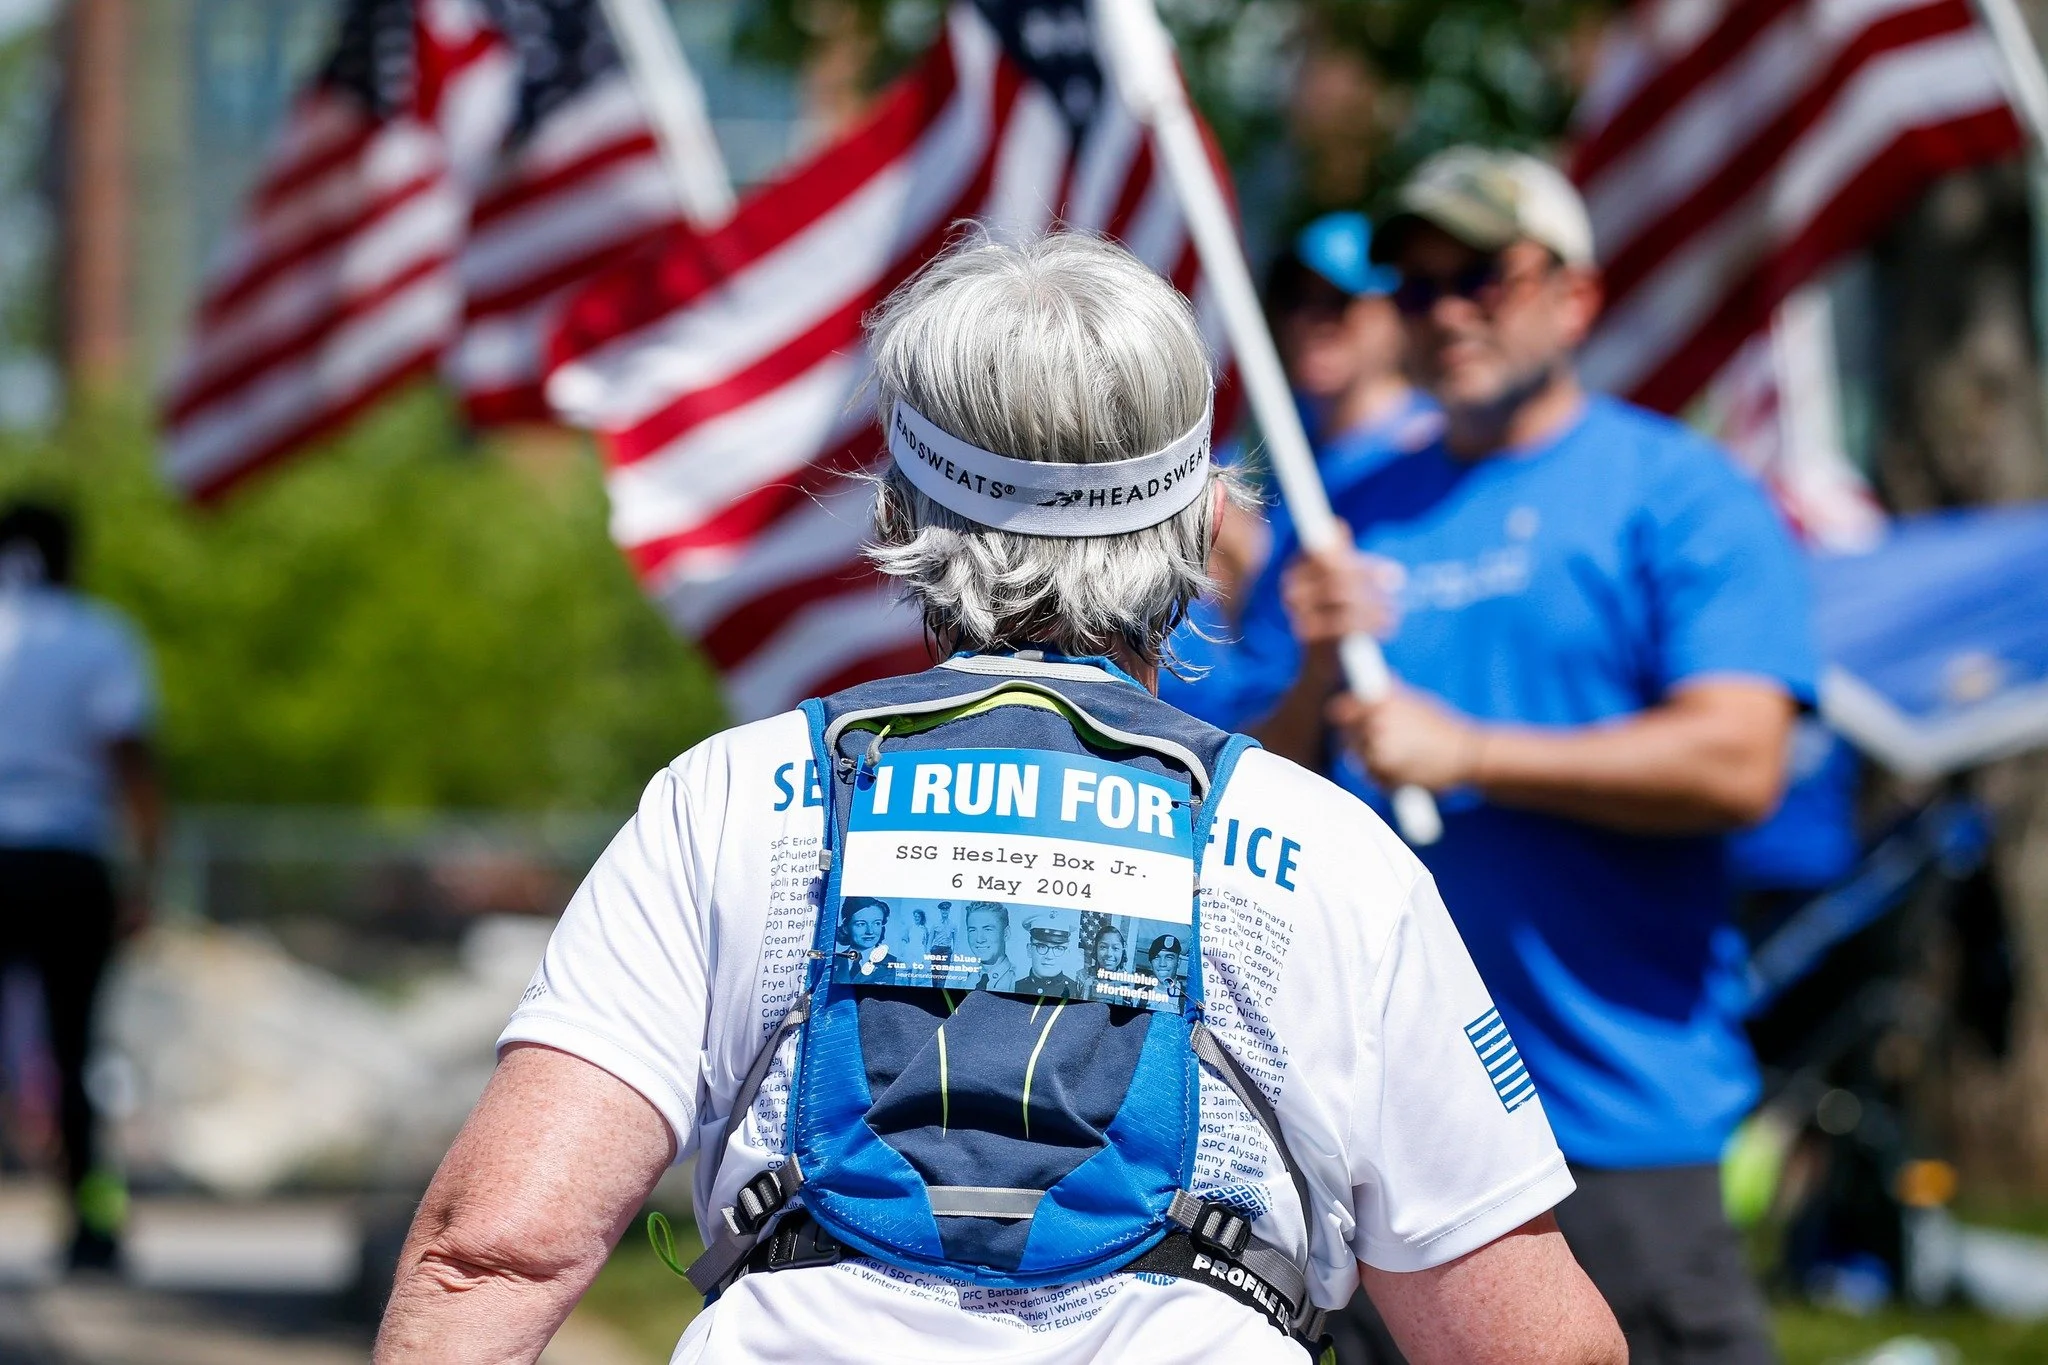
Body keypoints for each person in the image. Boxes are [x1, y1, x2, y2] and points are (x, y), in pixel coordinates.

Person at [375, 232, 1623, 1365]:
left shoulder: (733, 800)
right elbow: (1529, 1343)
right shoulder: (1326, 853)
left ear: (899, 509)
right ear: (1200, 522)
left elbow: (493, 1251)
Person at [1237, 147, 1817, 1365]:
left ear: (1574, 294)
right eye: (1413, 284)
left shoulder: (1677, 491)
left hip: (1612, 1122)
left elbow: (1737, 762)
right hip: (1381, 1135)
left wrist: (1473, 753)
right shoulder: (1337, 505)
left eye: (1481, 276)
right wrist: (1308, 676)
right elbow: (1243, 794)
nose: (1445, 309)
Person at [1162, 212, 1439, 730]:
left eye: (1338, 300)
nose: (1313, 319)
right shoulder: (1291, 454)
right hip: (1279, 729)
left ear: (1394, 314)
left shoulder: (1430, 449)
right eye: (1295, 297)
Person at [0, 501, 163, 1270]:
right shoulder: (99, 634)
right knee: (74, 1050)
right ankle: (90, 1221)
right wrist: (145, 874)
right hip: (68, 856)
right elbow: (131, 759)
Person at [1013, 910, 1083, 1000]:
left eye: (1058, 948)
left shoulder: (1077, 991)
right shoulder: (1013, 987)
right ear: (1029, 950)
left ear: (1067, 953)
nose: (1049, 956)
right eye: (1041, 946)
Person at [964, 900, 1017, 992]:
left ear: (1006, 934)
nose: (979, 939)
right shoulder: (965, 981)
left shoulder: (1018, 981)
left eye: (988, 929)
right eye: (973, 930)